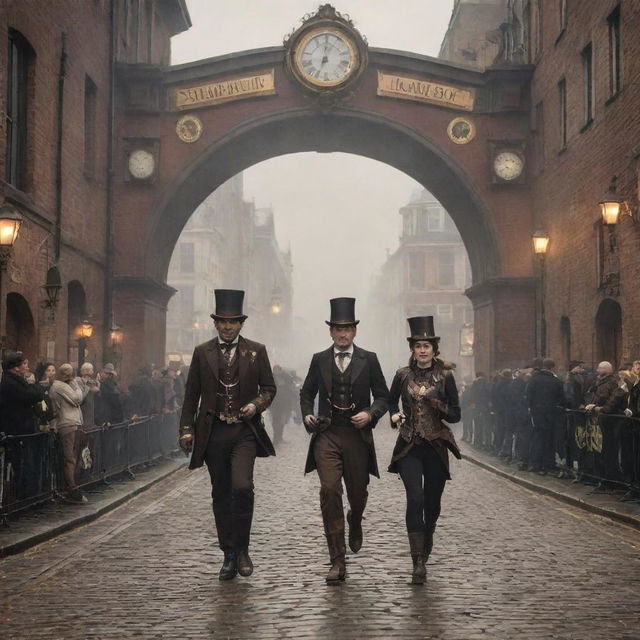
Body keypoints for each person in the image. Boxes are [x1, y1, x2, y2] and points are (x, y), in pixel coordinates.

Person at [179, 289, 277, 581]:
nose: (227, 326)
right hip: (213, 433)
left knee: (242, 486)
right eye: (222, 321)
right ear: (215, 323)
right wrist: (186, 430)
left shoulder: (256, 351)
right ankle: (228, 554)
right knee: (221, 494)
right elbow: (190, 396)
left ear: (241, 323)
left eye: (233, 321)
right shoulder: (202, 353)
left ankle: (244, 548)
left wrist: (255, 405)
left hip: (244, 432)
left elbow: (269, 389)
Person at [300, 297, 388, 584]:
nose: (342, 334)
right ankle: (337, 560)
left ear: (354, 331)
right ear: (330, 331)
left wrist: (370, 414)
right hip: (327, 434)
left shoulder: (369, 359)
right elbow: (306, 394)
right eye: (337, 329)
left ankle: (356, 519)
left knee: (358, 494)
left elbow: (384, 396)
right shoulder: (319, 359)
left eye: (347, 328)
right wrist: (306, 415)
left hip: (356, 436)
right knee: (329, 490)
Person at [388, 316, 461, 584]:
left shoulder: (445, 377)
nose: (422, 350)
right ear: (412, 349)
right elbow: (389, 401)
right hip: (409, 445)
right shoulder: (402, 375)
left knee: (432, 504)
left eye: (426, 346)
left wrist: (437, 404)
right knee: (415, 498)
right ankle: (417, 560)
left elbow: (455, 414)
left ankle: (428, 533)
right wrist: (394, 415)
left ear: (434, 349)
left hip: (436, 445)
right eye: (418, 345)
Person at [48, 363, 87, 503]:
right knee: (69, 459)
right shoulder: (60, 386)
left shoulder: (62, 386)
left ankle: (72, 487)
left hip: (71, 424)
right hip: (68, 425)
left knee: (73, 458)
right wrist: (76, 386)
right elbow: (78, 399)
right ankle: (72, 489)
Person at [526, 358, 565, 475]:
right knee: (550, 440)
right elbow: (561, 398)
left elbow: (528, 396)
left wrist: (532, 409)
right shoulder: (556, 381)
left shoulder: (534, 380)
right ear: (552, 368)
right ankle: (549, 464)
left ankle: (535, 464)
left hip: (536, 414)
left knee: (537, 439)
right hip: (551, 414)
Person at [0, 351, 44, 435]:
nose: (27, 367)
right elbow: (34, 395)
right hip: (18, 430)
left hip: (21, 429)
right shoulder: (11, 383)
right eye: (24, 364)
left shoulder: (15, 380)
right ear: (16, 368)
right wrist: (35, 384)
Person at [75, 362, 99, 427]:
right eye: (91, 369)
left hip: (91, 412)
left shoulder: (91, 381)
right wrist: (88, 387)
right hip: (83, 411)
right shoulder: (79, 381)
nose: (93, 371)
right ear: (86, 371)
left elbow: (97, 390)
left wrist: (97, 382)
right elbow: (81, 397)